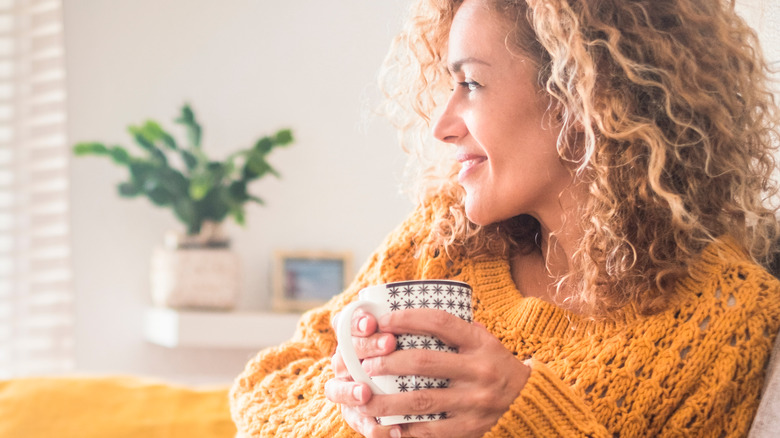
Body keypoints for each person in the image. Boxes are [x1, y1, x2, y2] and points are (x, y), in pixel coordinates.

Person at [230, 0, 780, 436]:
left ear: (585, 94)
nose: (442, 125)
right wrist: (361, 408)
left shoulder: (723, 319)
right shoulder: (443, 239)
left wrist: (525, 417)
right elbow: (267, 387)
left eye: (470, 84)